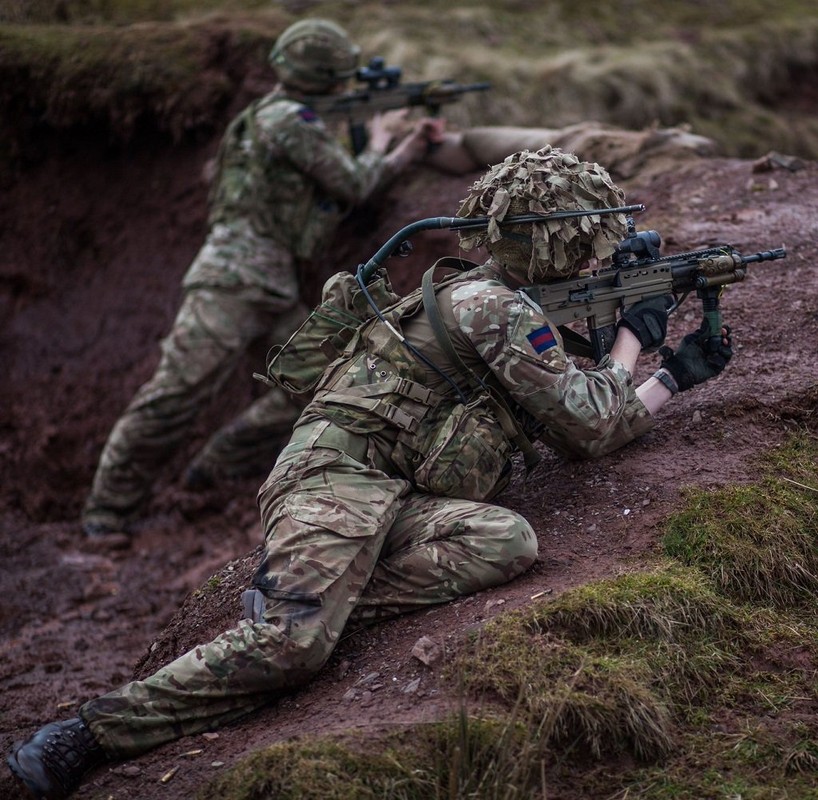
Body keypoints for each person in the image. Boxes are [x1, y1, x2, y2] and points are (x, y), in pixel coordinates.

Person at [8, 146, 733, 799]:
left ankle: (329, 602)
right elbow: (592, 420)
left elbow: (582, 421)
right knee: (291, 649)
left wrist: (666, 373)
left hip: (398, 489)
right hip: (336, 474)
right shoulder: (496, 309)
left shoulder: (488, 292)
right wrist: (642, 344)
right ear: (560, 242)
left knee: (506, 540)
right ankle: (88, 733)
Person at [81, 17, 440, 538]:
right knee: (177, 393)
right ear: (327, 76)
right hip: (233, 281)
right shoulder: (291, 120)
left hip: (267, 282)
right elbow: (355, 183)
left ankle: (218, 462)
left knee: (324, 380)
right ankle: (106, 512)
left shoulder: (260, 117)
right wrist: (392, 144)